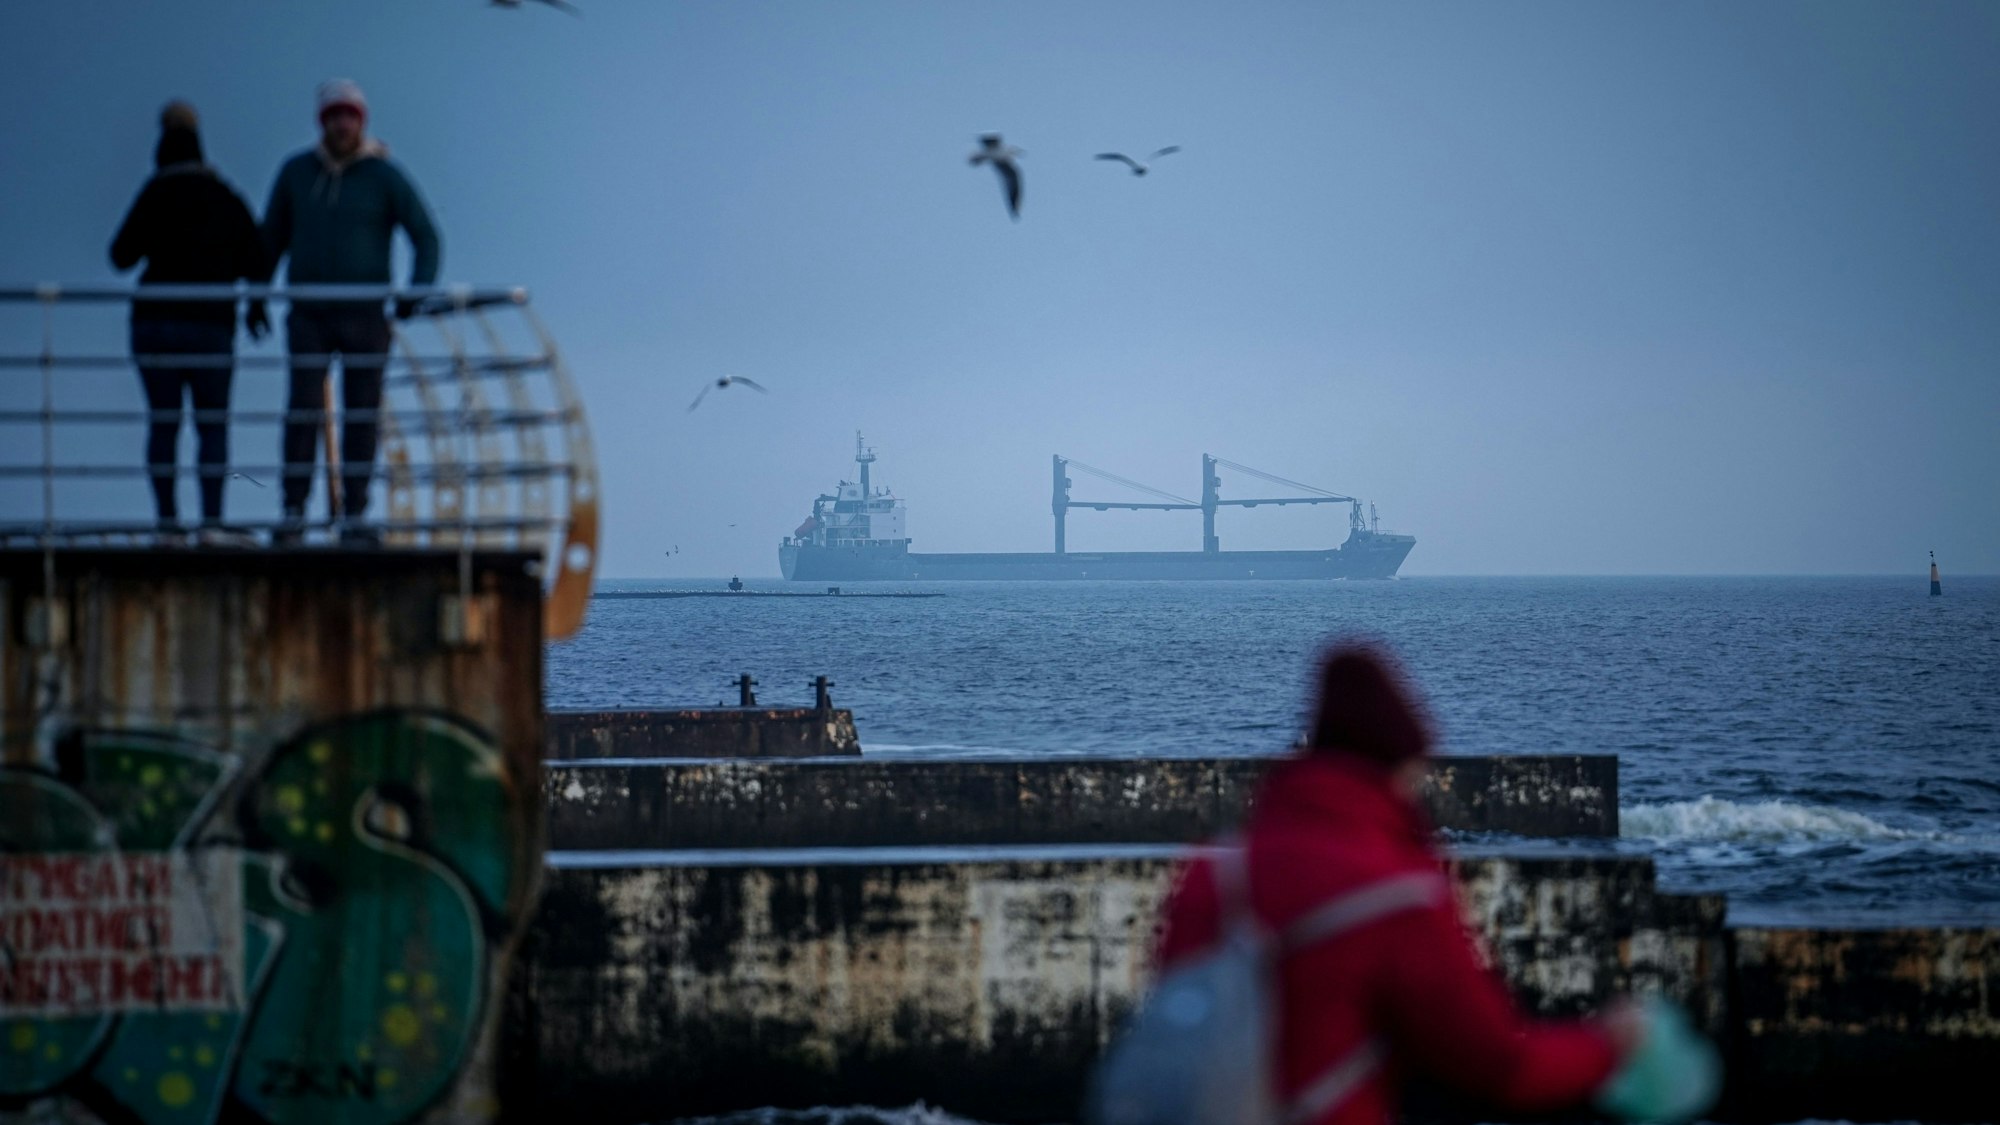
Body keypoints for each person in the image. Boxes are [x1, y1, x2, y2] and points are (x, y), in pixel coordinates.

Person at [1153, 643, 1645, 1125]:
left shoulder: (1211, 875)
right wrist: (1610, 1045)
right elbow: (1497, 1063)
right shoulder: (1396, 894)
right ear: (1396, 767)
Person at [262, 78, 441, 544]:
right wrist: (256, 296)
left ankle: (355, 514)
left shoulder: (385, 176)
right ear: (322, 122)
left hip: (366, 315)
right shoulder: (297, 173)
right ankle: (292, 511)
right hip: (308, 315)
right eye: (334, 115)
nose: (342, 123)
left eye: (350, 115)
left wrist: (414, 293)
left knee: (361, 414)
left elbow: (426, 236)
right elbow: (271, 240)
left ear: (361, 121)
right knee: (302, 410)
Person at [109, 100, 269, 541]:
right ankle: (212, 523)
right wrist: (255, 304)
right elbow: (257, 255)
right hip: (211, 324)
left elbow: (120, 256)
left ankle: (167, 524)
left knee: (164, 422)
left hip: (155, 323)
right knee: (211, 425)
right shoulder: (224, 195)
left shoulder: (155, 192)